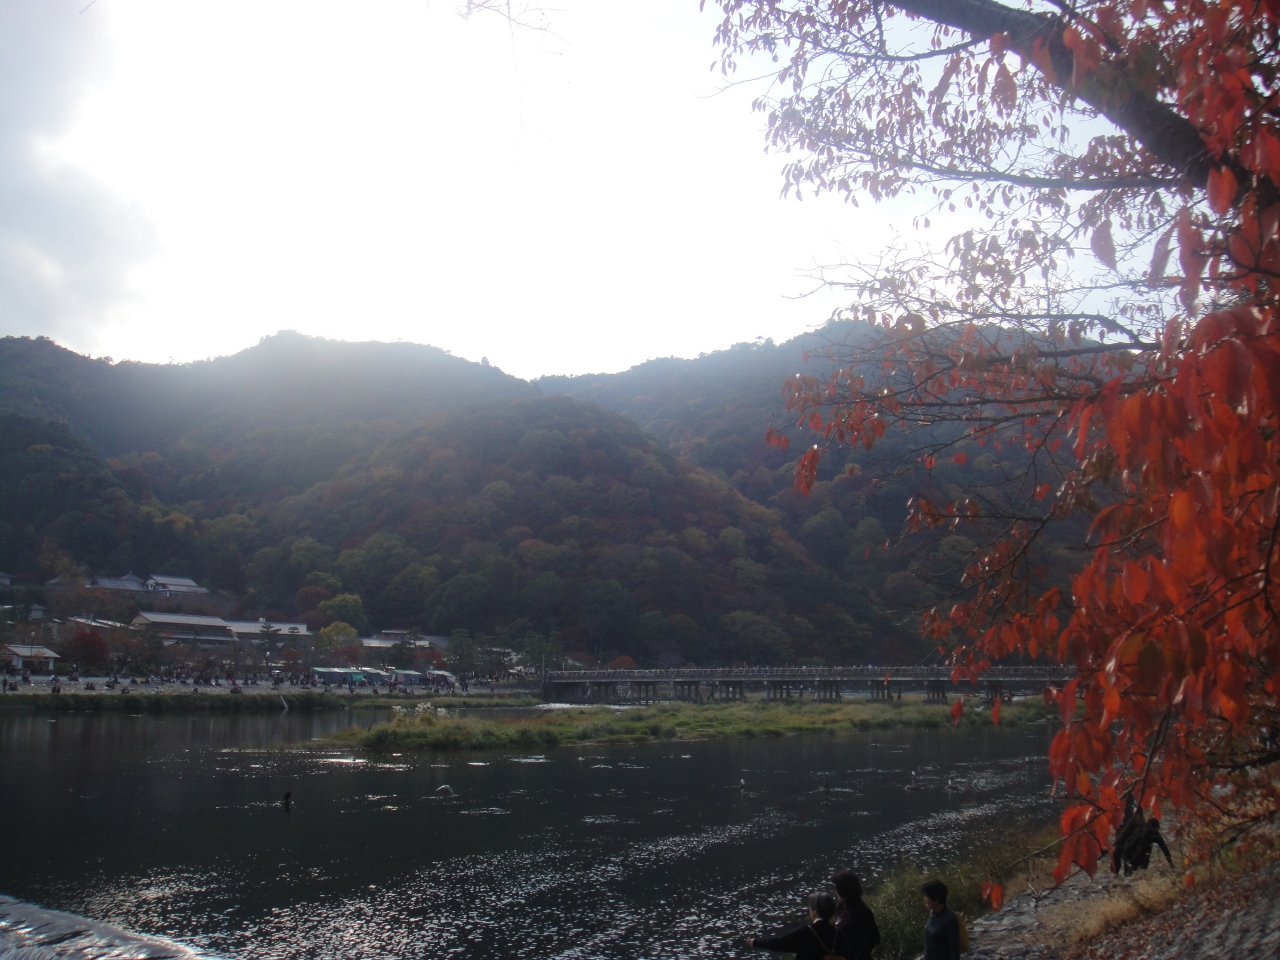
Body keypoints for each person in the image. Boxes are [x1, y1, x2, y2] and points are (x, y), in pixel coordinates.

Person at [747, 891, 852, 960]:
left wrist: (756, 942)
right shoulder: (838, 932)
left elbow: (780, 943)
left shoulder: (806, 933)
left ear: (815, 911)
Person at [832, 870, 880, 960]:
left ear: (842, 890)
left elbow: (875, 937)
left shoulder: (862, 911)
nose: (835, 892)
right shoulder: (842, 906)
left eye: (837, 889)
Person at [921, 879, 960, 960]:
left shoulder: (949, 918)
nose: (925, 900)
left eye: (927, 897)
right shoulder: (933, 914)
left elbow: (954, 949)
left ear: (936, 899)